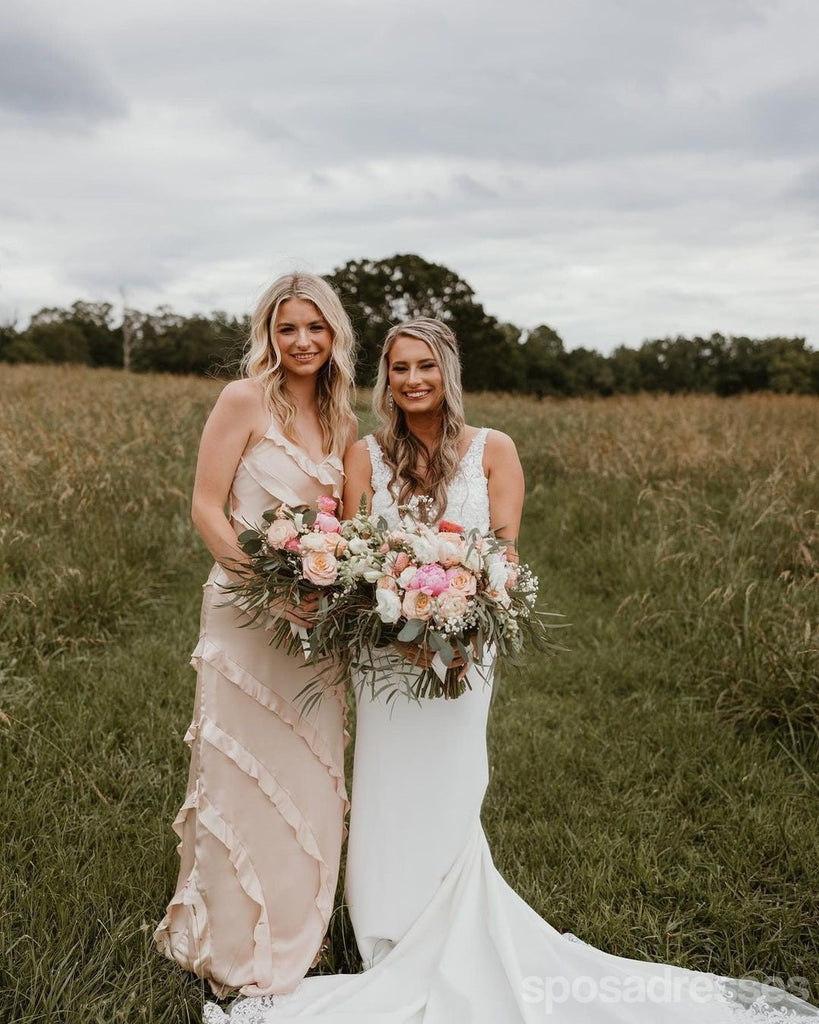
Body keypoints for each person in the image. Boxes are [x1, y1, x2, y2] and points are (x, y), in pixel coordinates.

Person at [204, 318, 818, 1021]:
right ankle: (385, 934)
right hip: (384, 654)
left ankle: (447, 925)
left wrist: (456, 627)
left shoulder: (493, 450)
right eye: (399, 368)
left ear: (448, 372)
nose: (412, 381)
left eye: (425, 367)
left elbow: (502, 558)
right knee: (383, 785)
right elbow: (352, 558)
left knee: (451, 782)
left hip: (465, 650)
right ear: (385, 379)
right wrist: (392, 621)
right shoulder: (363, 456)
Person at [154, 272, 358, 998]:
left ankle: (299, 932)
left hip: (316, 625)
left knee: (308, 770)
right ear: (268, 336)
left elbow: (347, 530)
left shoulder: (342, 422)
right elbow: (206, 509)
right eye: (286, 328)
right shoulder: (241, 400)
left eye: (315, 327)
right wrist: (269, 591)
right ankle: (230, 942)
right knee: (240, 769)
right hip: (245, 613)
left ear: (334, 335)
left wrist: (325, 594)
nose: (301, 341)